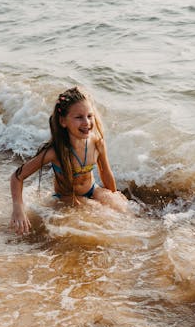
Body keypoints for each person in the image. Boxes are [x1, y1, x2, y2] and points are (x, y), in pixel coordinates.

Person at [9, 86, 126, 235]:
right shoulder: (55, 152)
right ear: (63, 121)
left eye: (89, 116)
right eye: (79, 117)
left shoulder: (97, 143)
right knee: (97, 210)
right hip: (67, 197)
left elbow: (106, 174)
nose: (86, 122)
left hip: (92, 189)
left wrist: (113, 196)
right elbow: (17, 177)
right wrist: (18, 208)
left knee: (120, 208)